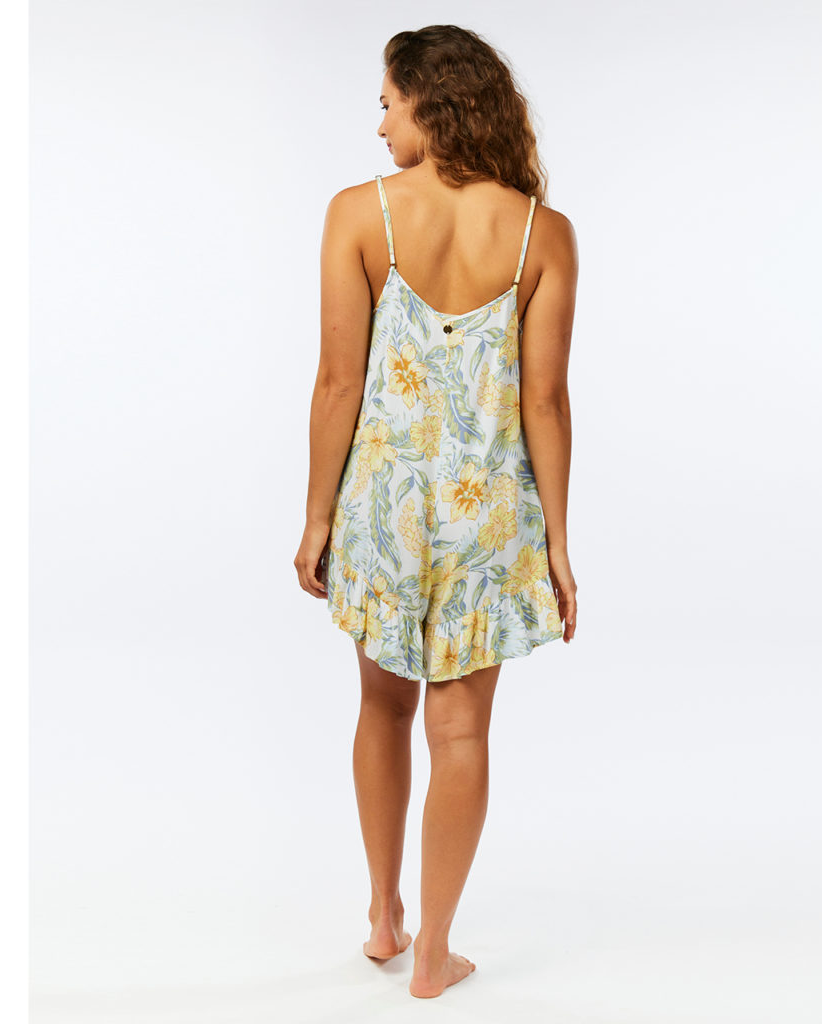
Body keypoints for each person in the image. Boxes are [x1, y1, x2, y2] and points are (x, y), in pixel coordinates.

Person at [295, 25, 578, 999]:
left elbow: (338, 382)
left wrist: (317, 518)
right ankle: (434, 953)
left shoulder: (359, 214)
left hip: (386, 505)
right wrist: (557, 542)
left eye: (388, 103)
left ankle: (384, 915)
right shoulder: (542, 233)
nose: (380, 125)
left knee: (381, 705)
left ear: (432, 101)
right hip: (486, 517)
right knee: (462, 737)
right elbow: (545, 401)